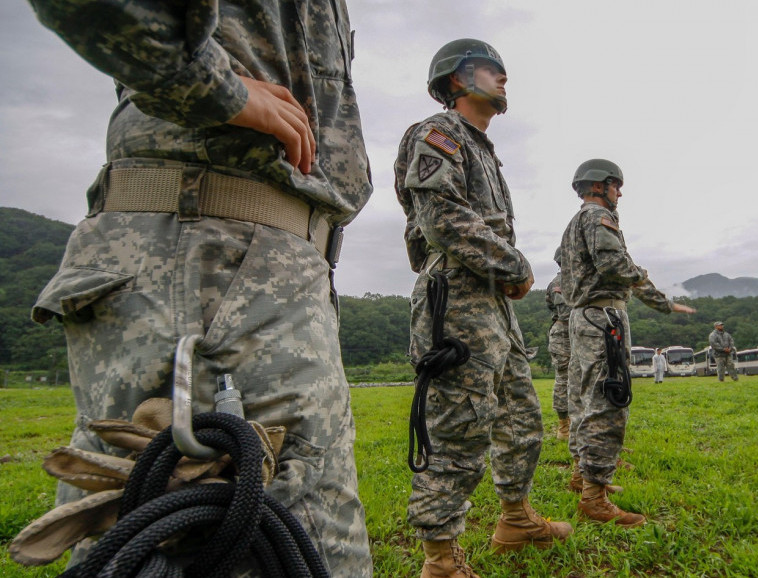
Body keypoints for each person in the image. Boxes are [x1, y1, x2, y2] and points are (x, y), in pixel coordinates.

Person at [27, 1, 372, 575]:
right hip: (212, 249)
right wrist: (213, 84)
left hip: (263, 256)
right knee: (220, 532)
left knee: (300, 521)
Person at [395, 38, 571, 577]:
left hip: (490, 302)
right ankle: (441, 561)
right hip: (460, 297)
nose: (503, 78)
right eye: (489, 70)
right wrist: (513, 265)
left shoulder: (482, 148)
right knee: (460, 426)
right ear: (455, 80)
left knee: (520, 415)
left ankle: (516, 520)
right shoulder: (439, 132)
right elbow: (442, 219)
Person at [559, 158, 695, 528]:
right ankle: (594, 496)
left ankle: (581, 474)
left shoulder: (574, 225)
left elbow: (567, 266)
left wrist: (661, 302)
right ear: (599, 186)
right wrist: (649, 284)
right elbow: (615, 265)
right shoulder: (598, 219)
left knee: (584, 398)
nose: (621, 192)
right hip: (603, 317)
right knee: (609, 399)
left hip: (583, 317)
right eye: (616, 185)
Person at [545, 248, 572, 441]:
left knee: (565, 379)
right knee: (565, 379)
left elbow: (550, 305)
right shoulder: (568, 282)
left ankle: (568, 427)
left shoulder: (552, 284)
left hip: (563, 331)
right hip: (566, 334)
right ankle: (564, 428)